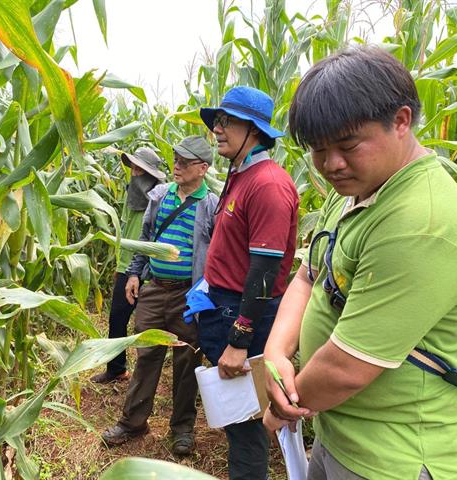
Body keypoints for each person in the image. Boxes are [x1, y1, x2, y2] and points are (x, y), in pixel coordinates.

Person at [263, 46, 457, 480]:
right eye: (318, 149)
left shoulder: (421, 222)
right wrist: (275, 353)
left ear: (401, 121)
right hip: (339, 431)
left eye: (347, 145)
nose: (331, 164)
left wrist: (283, 401)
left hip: (395, 455)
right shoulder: (355, 189)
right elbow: (310, 275)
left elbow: (347, 369)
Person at [197, 86, 300, 479]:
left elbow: (264, 271)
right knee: (238, 421)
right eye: (217, 121)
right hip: (226, 309)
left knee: (246, 426)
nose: (218, 130)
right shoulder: (241, 176)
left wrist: (239, 341)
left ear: (253, 131)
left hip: (244, 319)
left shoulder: (267, 184)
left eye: (227, 122)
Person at [101, 136, 218, 455]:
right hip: (155, 290)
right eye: (175, 159)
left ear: (203, 168)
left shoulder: (212, 205)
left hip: (188, 295)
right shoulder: (160, 196)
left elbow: (217, 252)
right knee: (147, 355)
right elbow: (146, 237)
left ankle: (182, 427)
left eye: (185, 161)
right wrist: (136, 273)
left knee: (186, 360)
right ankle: (133, 421)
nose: (176, 165)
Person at [90, 148, 165, 384]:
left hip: (148, 270)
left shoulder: (160, 199)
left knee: (147, 324)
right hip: (125, 269)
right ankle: (116, 369)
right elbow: (124, 233)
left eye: (140, 169)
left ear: (151, 174)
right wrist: (120, 265)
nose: (134, 173)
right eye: (132, 168)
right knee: (117, 319)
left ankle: (149, 375)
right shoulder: (130, 195)